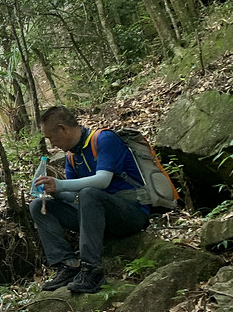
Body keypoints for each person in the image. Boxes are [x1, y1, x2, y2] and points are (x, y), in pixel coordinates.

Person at [31, 105, 150, 294]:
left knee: (89, 193)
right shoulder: (72, 156)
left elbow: (102, 181)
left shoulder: (104, 139)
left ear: (63, 128)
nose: (52, 144)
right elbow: (73, 195)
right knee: (38, 205)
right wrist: (54, 191)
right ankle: (67, 265)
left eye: (50, 137)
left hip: (131, 214)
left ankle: (91, 270)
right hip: (98, 217)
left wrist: (60, 184)